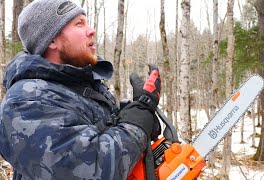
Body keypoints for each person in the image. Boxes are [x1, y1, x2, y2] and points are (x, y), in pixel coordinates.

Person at [0, 0, 161, 179]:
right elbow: (90, 168)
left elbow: (106, 136)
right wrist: (136, 124)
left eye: (87, 22)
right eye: (79, 24)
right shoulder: (26, 102)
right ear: (51, 39)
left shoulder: (82, 87)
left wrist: (138, 114)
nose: (91, 30)